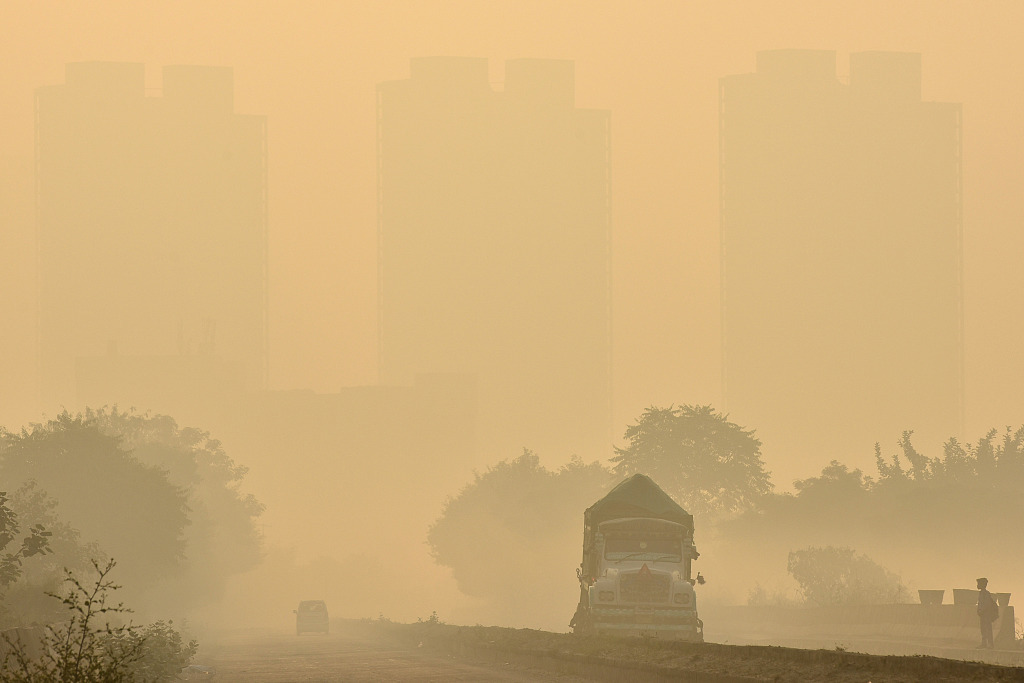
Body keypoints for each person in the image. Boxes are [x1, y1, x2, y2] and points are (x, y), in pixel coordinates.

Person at [976, 577, 999, 649]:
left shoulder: (986, 593)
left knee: (988, 629)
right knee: (983, 629)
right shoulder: (982, 593)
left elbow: (987, 604)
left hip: (986, 615)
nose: (977, 585)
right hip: (983, 614)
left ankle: (990, 644)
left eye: (979, 583)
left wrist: (981, 610)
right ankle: (984, 643)